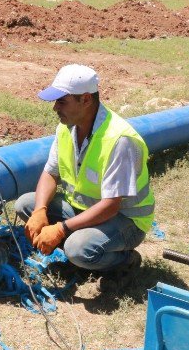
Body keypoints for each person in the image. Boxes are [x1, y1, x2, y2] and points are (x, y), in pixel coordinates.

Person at [16, 65, 155, 275]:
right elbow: (51, 173)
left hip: (125, 220)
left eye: (62, 101)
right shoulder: (66, 127)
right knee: (26, 204)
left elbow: (111, 206)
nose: (55, 108)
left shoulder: (120, 140)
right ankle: (80, 250)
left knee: (78, 249)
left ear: (87, 99)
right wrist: (39, 211)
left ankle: (124, 260)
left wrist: (61, 229)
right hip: (83, 209)